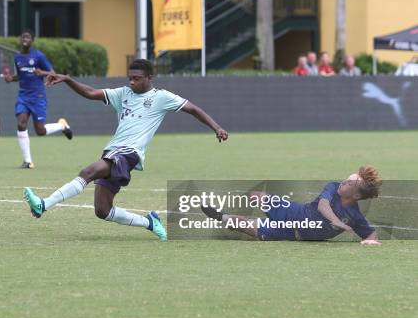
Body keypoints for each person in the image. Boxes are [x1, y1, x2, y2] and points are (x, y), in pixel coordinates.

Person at [23, 59, 229, 241]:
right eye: (130, 78)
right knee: (102, 210)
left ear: (149, 78)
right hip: (113, 151)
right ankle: (149, 222)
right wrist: (67, 79)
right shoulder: (123, 93)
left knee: (88, 172)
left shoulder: (162, 97)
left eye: (137, 78)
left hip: (129, 153)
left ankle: (43, 204)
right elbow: (90, 93)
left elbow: (193, 108)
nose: (132, 82)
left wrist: (217, 127)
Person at [206, 166, 382, 245]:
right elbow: (323, 205)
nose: (345, 181)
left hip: (292, 234)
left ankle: (222, 217)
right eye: (348, 178)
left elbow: (370, 234)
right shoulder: (333, 186)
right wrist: (336, 221)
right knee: (256, 196)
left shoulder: (355, 216)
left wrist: (370, 242)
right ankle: (224, 212)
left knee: (246, 227)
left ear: (357, 195)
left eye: (350, 183)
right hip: (295, 213)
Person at [3, 29, 73, 169]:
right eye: (23, 37)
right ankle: (28, 161)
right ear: (20, 39)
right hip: (23, 96)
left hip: (38, 97)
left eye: (28, 37)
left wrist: (43, 72)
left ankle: (62, 126)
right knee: (21, 124)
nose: (25, 39)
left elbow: (53, 73)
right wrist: (11, 79)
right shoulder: (17, 57)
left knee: (40, 131)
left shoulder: (38, 56)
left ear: (32, 41)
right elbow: (21, 76)